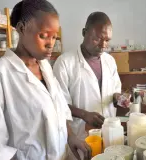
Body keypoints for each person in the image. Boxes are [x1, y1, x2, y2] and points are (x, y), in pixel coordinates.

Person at [0, 0, 90, 160]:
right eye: (44, 35)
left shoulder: (45, 67)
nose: (51, 44)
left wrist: (71, 137)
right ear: (23, 28)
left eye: (54, 37)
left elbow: (60, 108)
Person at [53, 12, 128, 140]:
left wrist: (119, 98)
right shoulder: (65, 63)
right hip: (81, 137)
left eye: (107, 40)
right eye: (97, 39)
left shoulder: (109, 61)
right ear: (84, 32)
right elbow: (58, 105)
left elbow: (114, 92)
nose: (103, 45)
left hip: (109, 133)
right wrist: (84, 115)